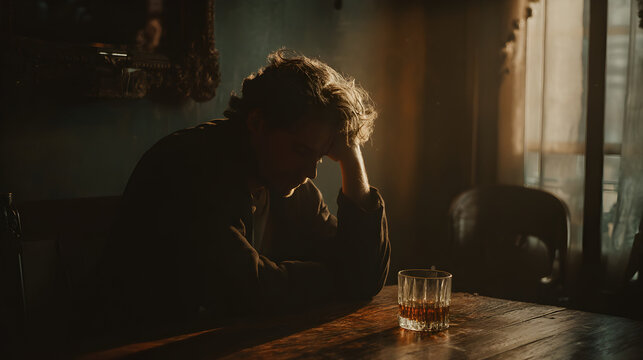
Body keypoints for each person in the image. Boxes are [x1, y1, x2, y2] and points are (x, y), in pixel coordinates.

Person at [100, 49, 390, 329]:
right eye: (301, 151)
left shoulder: (291, 183)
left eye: (320, 155)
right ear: (257, 123)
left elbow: (363, 277)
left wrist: (352, 155)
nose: (310, 172)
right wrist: (339, 278)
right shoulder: (189, 166)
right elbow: (249, 289)